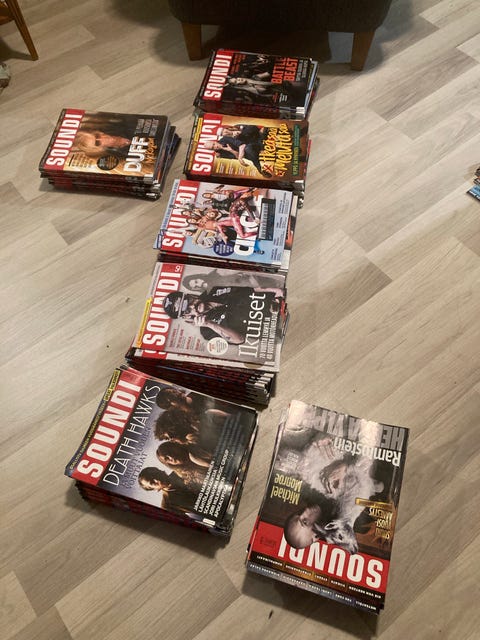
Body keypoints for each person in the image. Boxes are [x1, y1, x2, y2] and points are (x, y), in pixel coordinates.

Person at [162, 283, 285, 345]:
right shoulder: (207, 332)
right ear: (187, 316)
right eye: (188, 310)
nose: (192, 306)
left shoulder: (216, 290)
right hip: (275, 326)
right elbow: (239, 339)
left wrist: (276, 291)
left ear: (191, 296)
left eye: (189, 301)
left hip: (277, 303)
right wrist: (209, 324)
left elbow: (250, 289)